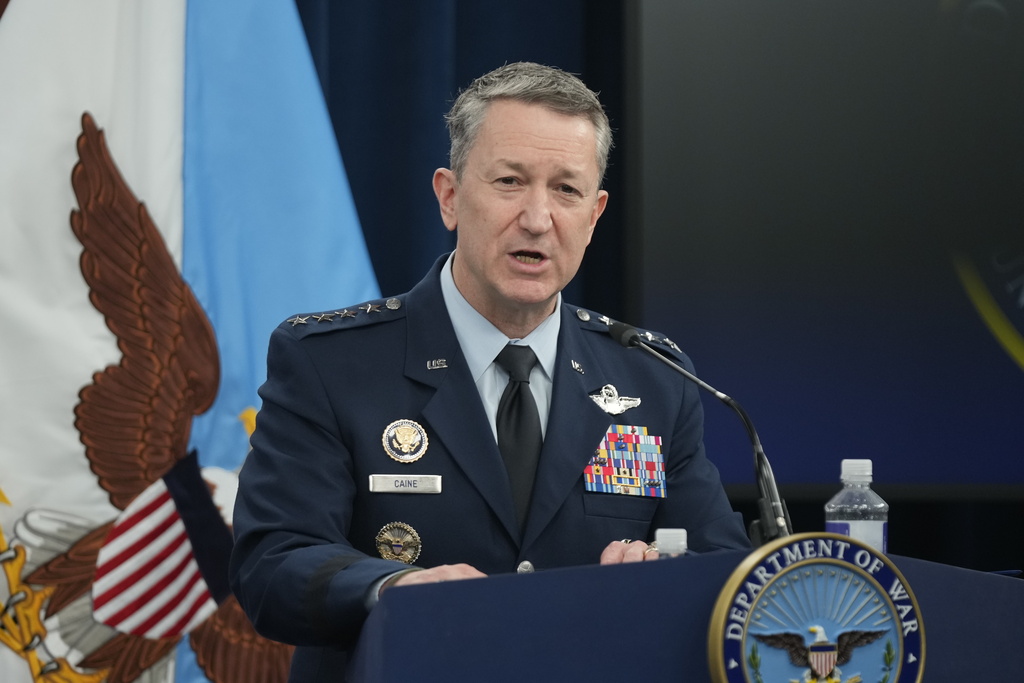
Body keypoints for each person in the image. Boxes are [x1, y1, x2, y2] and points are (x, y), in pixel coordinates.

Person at [229, 61, 750, 679]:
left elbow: (723, 573)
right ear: (450, 197)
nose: (537, 217)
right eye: (510, 181)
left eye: (566, 190)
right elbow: (273, 566)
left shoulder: (655, 378)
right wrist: (392, 588)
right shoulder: (329, 363)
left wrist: (663, 575)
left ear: (595, 214)